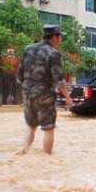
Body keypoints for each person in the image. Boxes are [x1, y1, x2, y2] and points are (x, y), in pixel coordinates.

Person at [17, 25, 72, 154]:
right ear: (55, 37)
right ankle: (46, 157)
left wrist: (27, 87)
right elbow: (59, 79)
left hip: (27, 93)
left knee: (31, 126)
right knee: (48, 128)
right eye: (60, 37)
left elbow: (20, 74)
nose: (61, 40)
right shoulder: (53, 53)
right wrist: (68, 97)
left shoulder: (28, 49)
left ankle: (24, 151)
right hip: (44, 94)